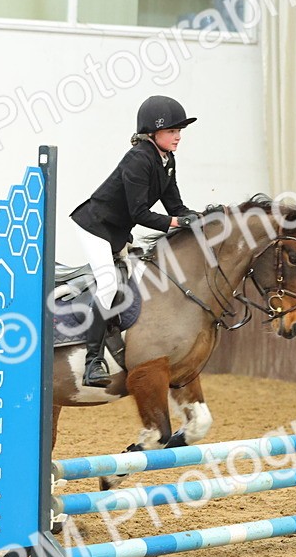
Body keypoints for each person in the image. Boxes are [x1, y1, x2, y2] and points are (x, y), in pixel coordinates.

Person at [69, 95, 200, 388]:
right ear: (153, 133)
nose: (178, 137)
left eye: (179, 131)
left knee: (142, 281)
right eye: (172, 131)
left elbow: (175, 206)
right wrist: (177, 223)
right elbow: (139, 213)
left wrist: (200, 217)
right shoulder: (138, 159)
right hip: (96, 227)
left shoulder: (166, 160)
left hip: (118, 232)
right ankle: (92, 362)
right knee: (108, 285)